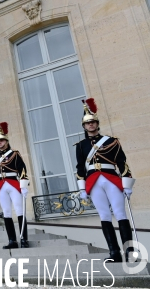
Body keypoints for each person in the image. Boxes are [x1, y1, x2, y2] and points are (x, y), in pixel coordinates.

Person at [75, 98, 135, 262]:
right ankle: (114, 252)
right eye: (88, 123)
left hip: (111, 178)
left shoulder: (111, 141)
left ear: (97, 123)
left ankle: (129, 251)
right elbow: (80, 168)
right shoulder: (80, 146)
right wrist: (82, 188)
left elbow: (122, 162)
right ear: (84, 126)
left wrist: (127, 183)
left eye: (93, 122)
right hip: (93, 181)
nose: (91, 125)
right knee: (104, 215)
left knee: (120, 213)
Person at [0, 122, 30, 249]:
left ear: (6, 141)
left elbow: (22, 170)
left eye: (2, 141)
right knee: (6, 212)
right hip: (1, 185)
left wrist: (23, 186)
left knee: (19, 210)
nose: (0, 143)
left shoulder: (14, 154)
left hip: (13, 183)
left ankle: (24, 238)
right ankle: (12, 240)